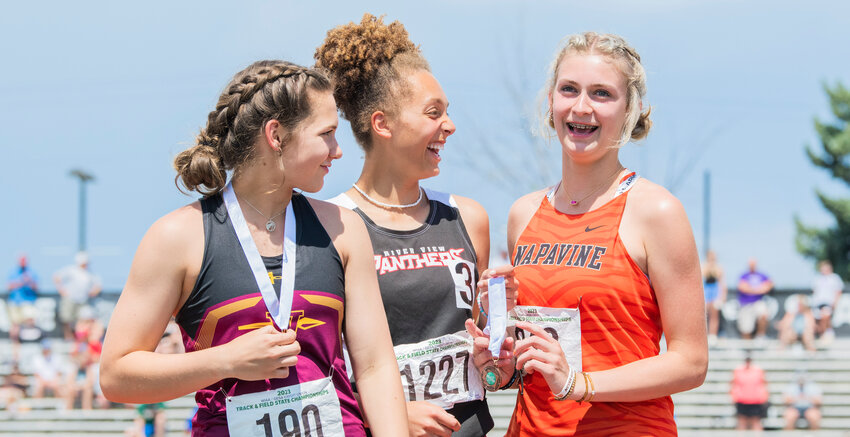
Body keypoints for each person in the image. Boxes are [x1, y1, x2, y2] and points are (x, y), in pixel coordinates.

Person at [99, 60, 407, 436]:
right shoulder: (177, 237)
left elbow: (375, 364)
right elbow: (116, 374)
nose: (338, 151)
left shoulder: (344, 228)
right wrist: (225, 360)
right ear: (276, 135)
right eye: (326, 133)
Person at [465, 32, 707, 436]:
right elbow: (532, 371)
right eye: (569, 90)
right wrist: (499, 362)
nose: (581, 107)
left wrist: (582, 385)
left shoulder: (655, 211)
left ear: (632, 110)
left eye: (601, 94)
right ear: (550, 101)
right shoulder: (523, 213)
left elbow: (691, 361)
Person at [316, 14, 516, 437]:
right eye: (433, 113)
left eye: (447, 112)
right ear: (382, 124)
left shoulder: (468, 217)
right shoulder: (330, 224)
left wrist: (497, 351)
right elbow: (318, 363)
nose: (450, 125)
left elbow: (481, 352)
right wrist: (386, 412)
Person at [54, 252, 101, 340]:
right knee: (66, 318)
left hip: (83, 300)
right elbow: (56, 277)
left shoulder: (90, 273)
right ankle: (68, 337)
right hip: (70, 298)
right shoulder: (71, 270)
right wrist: (62, 290)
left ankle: (78, 338)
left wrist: (92, 292)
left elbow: (98, 285)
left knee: (81, 319)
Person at [6, 254, 39, 360]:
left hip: (28, 301)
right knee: (15, 325)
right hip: (15, 302)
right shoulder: (13, 272)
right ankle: (15, 345)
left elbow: (36, 286)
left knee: (30, 320)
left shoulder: (31, 272)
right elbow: (9, 286)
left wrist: (28, 282)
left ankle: (28, 342)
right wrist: (20, 283)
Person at [736, 258, 774, 340]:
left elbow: (769, 285)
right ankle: (747, 347)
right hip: (745, 304)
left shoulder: (762, 275)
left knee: (764, 314)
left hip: (758, 302)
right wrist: (758, 289)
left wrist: (751, 289)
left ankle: (760, 336)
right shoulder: (744, 275)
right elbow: (742, 287)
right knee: (746, 328)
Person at [730, 355, 769, 431]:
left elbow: (764, 384)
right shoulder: (738, 370)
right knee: (742, 422)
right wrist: (733, 396)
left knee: (756, 421)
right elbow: (732, 384)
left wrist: (764, 396)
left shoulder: (758, 371)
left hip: (755, 400)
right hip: (742, 400)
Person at [811, 259, 843, 342]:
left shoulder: (834, 278)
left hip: (828, 302)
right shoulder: (818, 279)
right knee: (817, 320)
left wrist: (835, 303)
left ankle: (825, 335)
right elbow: (814, 292)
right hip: (817, 303)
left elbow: (838, 291)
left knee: (825, 317)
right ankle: (823, 335)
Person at [702, 250, 727, 345]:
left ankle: (713, 334)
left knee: (714, 314)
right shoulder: (704, 266)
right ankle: (704, 334)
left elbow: (722, 282)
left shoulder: (719, 268)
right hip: (706, 291)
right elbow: (704, 275)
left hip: (715, 291)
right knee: (704, 314)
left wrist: (722, 296)